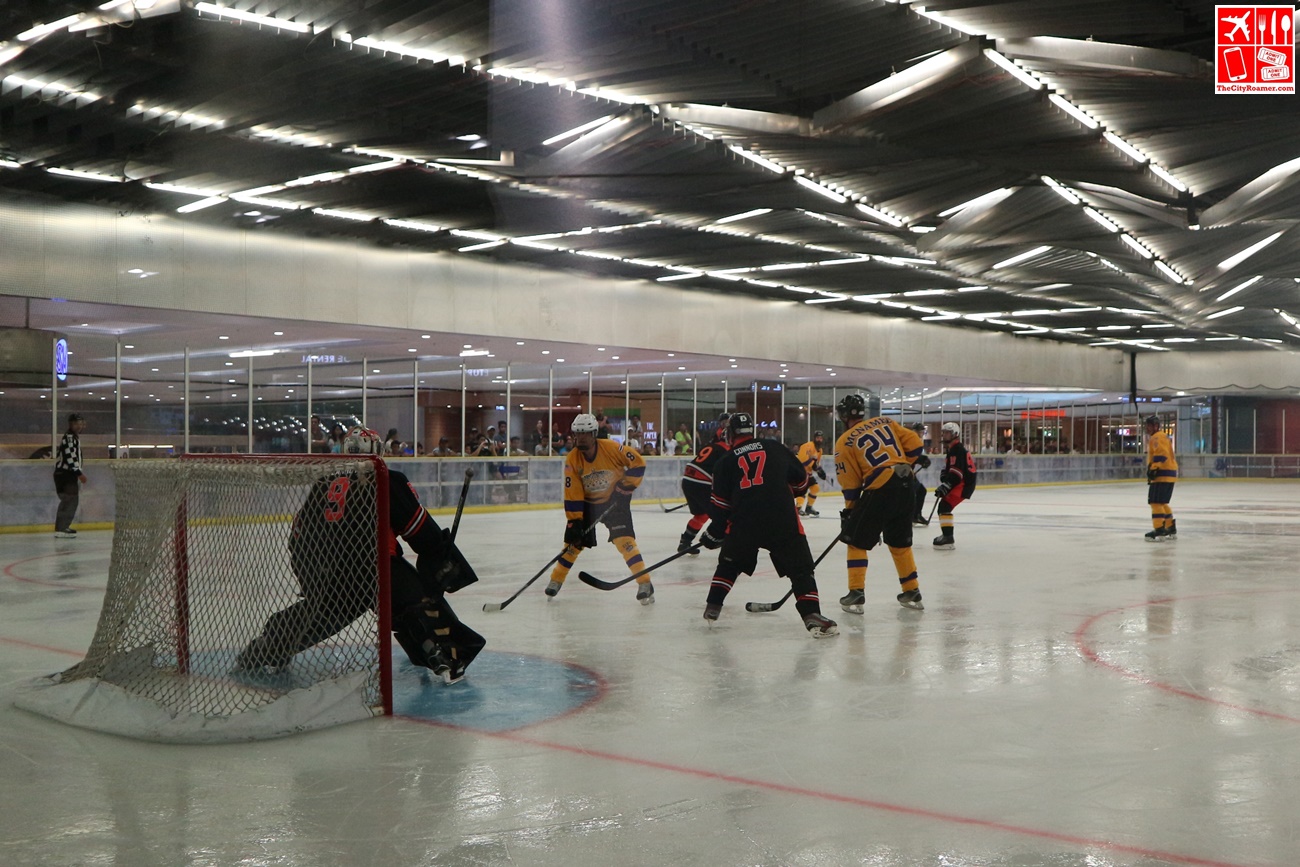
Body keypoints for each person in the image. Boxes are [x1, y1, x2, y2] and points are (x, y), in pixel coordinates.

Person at [235, 427, 486, 684]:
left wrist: (312, 582)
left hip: (327, 571)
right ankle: (445, 655)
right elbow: (422, 533)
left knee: (320, 615)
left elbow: (298, 539)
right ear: (377, 452)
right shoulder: (387, 480)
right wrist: (441, 564)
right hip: (374, 569)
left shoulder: (323, 484)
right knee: (420, 600)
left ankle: (265, 648)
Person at [697, 412, 836, 636]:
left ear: (730, 434)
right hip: (781, 519)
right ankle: (812, 614)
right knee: (801, 569)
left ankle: (713, 606)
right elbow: (801, 482)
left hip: (744, 522)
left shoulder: (725, 461)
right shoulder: (775, 447)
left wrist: (714, 533)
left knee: (729, 564)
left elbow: (720, 507)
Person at [832, 393, 926, 614]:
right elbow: (915, 445)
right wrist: (901, 463)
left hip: (881, 487)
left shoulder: (844, 441)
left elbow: (851, 484)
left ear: (844, 415)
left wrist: (850, 511)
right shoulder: (885, 421)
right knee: (899, 543)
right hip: (906, 484)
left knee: (855, 541)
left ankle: (856, 593)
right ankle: (911, 590)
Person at [545, 414, 653, 604]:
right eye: (578, 434)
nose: (581, 438)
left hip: (615, 500)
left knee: (625, 541)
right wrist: (574, 520)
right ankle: (556, 580)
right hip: (587, 504)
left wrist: (624, 488)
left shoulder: (611, 448)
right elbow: (573, 491)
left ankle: (644, 582)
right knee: (572, 545)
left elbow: (638, 464)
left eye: (585, 434)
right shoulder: (573, 459)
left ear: (594, 433)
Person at [677, 412, 732, 555]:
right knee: (722, 515)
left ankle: (685, 542)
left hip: (688, 480)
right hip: (702, 483)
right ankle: (728, 545)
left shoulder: (713, 444)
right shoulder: (726, 450)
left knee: (702, 515)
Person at [932, 422, 977, 550]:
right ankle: (947, 536)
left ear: (955, 434)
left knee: (944, 506)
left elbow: (957, 473)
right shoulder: (953, 449)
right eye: (944, 432)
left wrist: (946, 485)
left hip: (963, 484)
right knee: (944, 507)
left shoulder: (957, 449)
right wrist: (945, 476)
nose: (944, 435)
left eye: (947, 433)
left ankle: (948, 538)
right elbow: (951, 469)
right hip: (961, 483)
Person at [53, 413, 88, 538]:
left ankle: (63, 527)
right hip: (65, 475)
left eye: (80, 424)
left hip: (67, 474)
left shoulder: (73, 437)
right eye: (76, 424)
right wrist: (79, 473)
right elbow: (70, 457)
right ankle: (61, 528)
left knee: (70, 500)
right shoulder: (69, 438)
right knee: (69, 500)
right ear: (71, 424)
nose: (79, 426)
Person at [1144, 414, 1178, 541]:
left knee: (1155, 502)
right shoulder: (1162, 436)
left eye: (1149, 426)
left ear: (1156, 426)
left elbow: (1161, 454)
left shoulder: (1157, 437)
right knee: (1162, 502)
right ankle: (1170, 527)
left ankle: (1159, 529)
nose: (1147, 428)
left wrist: (1154, 469)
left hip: (1162, 475)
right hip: (1168, 474)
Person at [794, 430, 828, 517]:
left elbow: (816, 464)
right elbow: (802, 460)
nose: (819, 440)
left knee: (815, 488)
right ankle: (798, 507)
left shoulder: (819, 450)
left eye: (821, 438)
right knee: (803, 490)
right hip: (800, 471)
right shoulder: (807, 446)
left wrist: (820, 471)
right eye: (817, 438)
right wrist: (815, 467)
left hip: (808, 473)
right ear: (814, 438)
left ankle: (809, 507)